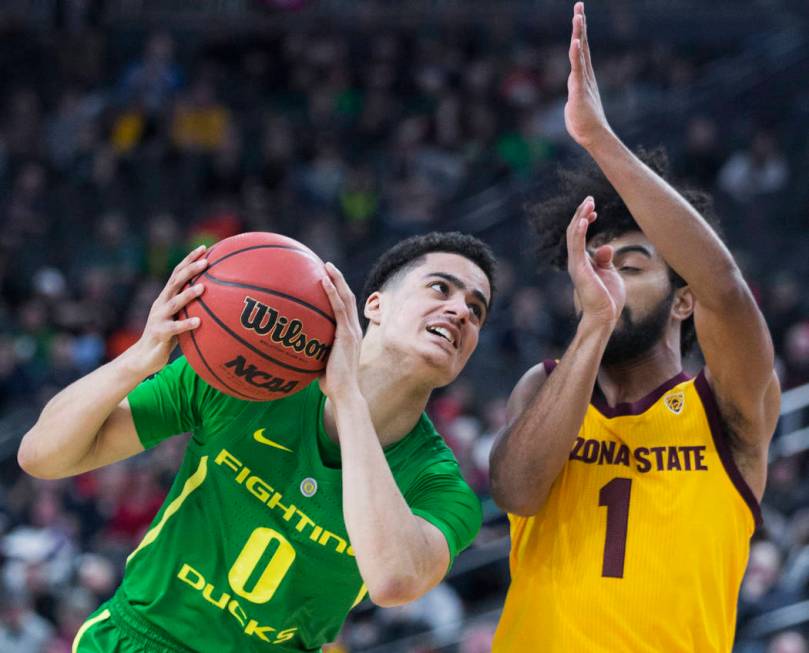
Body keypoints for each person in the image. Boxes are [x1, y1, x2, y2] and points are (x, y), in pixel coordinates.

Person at [17, 231, 496, 652]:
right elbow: (42, 456)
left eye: (476, 310)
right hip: (144, 638)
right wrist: (139, 358)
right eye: (440, 288)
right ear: (374, 304)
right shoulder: (246, 377)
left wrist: (348, 398)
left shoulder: (441, 486)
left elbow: (394, 580)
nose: (459, 311)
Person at [489, 3, 780, 652]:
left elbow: (726, 289)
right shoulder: (541, 386)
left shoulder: (726, 407)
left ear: (681, 301)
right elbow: (516, 491)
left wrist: (597, 138)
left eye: (633, 263)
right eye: (596, 263)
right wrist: (593, 328)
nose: (609, 276)